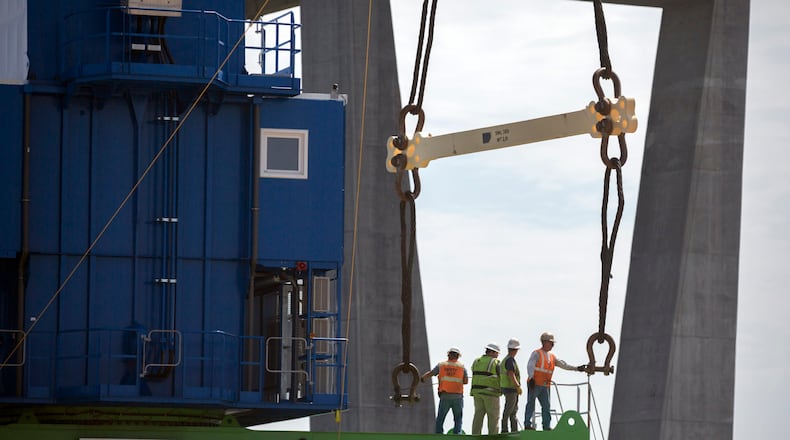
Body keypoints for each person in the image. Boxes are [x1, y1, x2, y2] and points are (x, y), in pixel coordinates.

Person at [524, 332, 586, 431]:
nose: (553, 345)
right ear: (544, 342)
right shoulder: (536, 353)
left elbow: (563, 365)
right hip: (534, 384)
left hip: (545, 385)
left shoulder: (552, 356)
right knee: (531, 404)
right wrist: (531, 377)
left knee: (546, 406)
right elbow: (530, 365)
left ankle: (546, 426)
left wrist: (577, 368)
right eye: (551, 343)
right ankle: (527, 425)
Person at [421, 347, 469, 434]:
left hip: (445, 396)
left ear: (448, 355)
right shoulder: (462, 367)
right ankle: (457, 434)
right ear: (458, 356)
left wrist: (423, 378)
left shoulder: (441, 365)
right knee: (458, 418)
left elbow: (431, 373)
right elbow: (465, 382)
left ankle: (439, 433)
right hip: (458, 396)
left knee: (441, 417)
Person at [470, 342, 502, 435]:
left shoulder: (476, 361)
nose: (497, 356)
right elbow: (502, 376)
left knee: (478, 416)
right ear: (492, 352)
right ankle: (493, 436)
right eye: (497, 353)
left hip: (477, 392)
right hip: (491, 393)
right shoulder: (495, 362)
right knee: (493, 417)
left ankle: (475, 435)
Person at [500, 338, 522, 433]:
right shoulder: (510, 360)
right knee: (510, 410)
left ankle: (514, 430)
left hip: (507, 388)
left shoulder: (506, 359)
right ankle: (505, 429)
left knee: (512, 410)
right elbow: (511, 373)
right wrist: (517, 386)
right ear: (516, 350)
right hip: (511, 389)